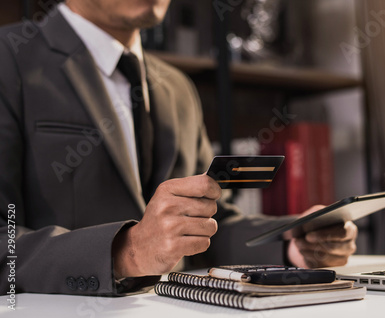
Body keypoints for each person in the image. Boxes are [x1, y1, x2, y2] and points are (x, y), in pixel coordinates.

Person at [0, 0, 357, 295]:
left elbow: (210, 224)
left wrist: (291, 243)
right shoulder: (8, 60)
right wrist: (127, 251)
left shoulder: (177, 88)